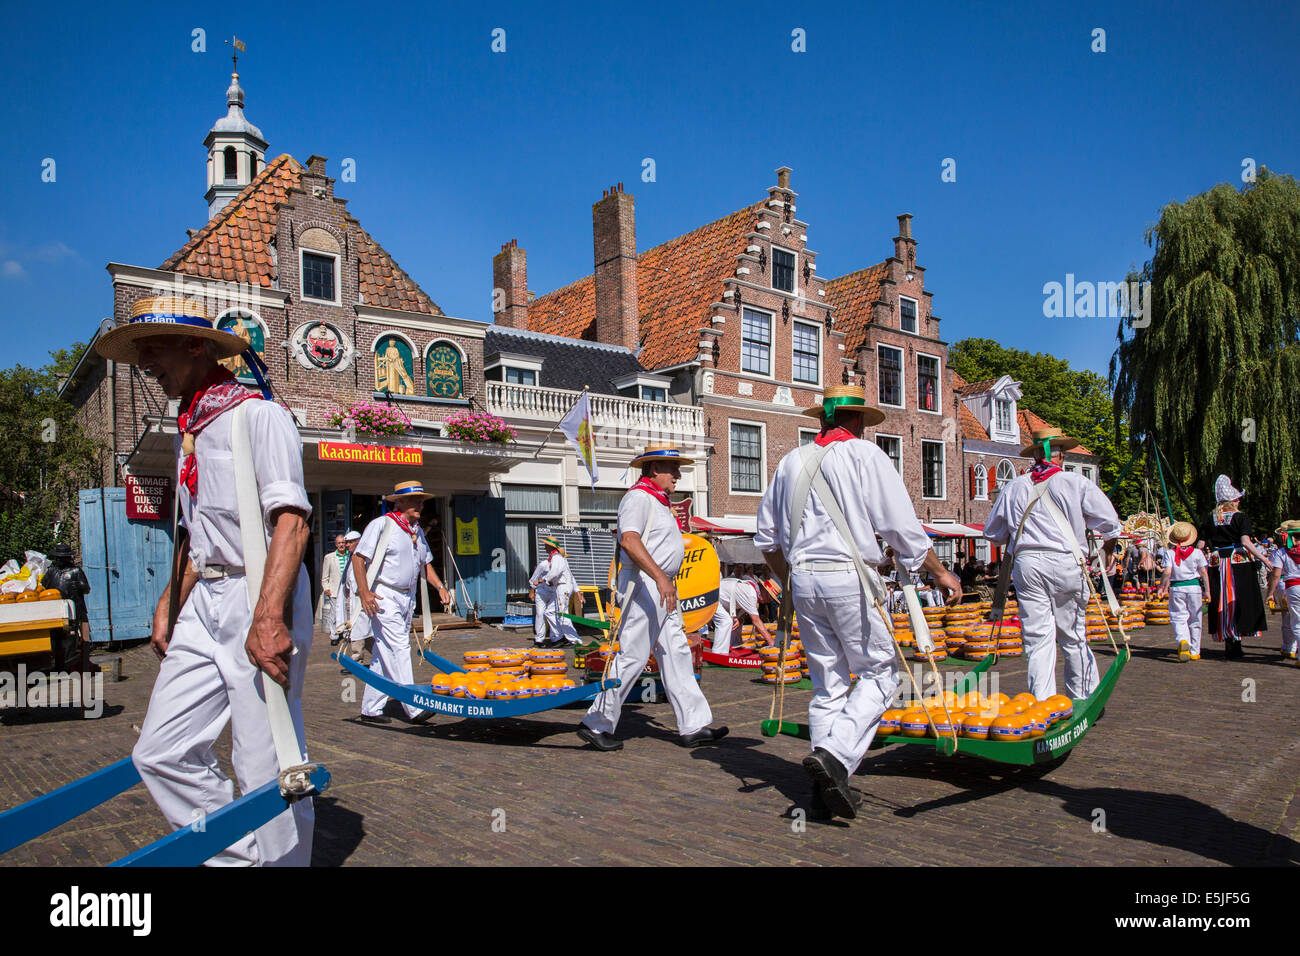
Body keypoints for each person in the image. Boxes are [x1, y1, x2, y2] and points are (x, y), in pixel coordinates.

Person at [97, 295, 314, 866]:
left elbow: (291, 522)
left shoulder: (259, 415)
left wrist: (269, 617)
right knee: (160, 751)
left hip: (259, 590)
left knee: (265, 757)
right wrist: (173, 598)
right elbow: (198, 533)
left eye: (154, 348)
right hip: (207, 598)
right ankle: (238, 858)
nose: (145, 362)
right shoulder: (190, 428)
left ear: (197, 346)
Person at [756, 385, 960, 820]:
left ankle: (823, 785)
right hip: (850, 578)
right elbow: (901, 528)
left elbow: (767, 541)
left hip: (802, 580)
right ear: (857, 421)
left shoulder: (790, 462)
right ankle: (835, 757)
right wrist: (940, 572)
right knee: (881, 674)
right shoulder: (867, 458)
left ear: (822, 420)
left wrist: (790, 583)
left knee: (827, 686)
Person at [578, 445, 728, 752]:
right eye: (672, 469)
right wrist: (660, 577)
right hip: (644, 586)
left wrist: (665, 580)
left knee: (677, 654)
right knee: (633, 655)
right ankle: (596, 723)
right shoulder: (638, 497)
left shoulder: (659, 501)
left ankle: (693, 725)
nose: (678, 474)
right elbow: (629, 540)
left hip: (661, 588)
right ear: (653, 470)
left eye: (677, 469)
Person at [983, 427, 1122, 701]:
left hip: (1027, 564)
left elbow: (993, 534)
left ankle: (1043, 702)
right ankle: (1083, 696)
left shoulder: (1014, 487)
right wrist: (1106, 551)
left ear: (1035, 455)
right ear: (1059, 456)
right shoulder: (1075, 483)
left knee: (1037, 638)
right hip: (1065, 560)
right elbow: (1111, 524)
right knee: (1072, 634)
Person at [352, 482, 452, 724]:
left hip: (407, 598)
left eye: (422, 500)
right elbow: (358, 558)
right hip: (384, 594)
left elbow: (425, 564)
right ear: (400, 502)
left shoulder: (415, 530)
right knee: (399, 646)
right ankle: (413, 706)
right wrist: (364, 592)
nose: (421, 504)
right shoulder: (382, 525)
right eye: (416, 500)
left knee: (383, 652)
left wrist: (439, 587)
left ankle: (371, 708)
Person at [1198, 475, 1269, 659]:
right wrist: (1265, 559)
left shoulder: (1210, 518)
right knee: (1239, 599)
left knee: (1220, 599)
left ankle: (1228, 638)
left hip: (1216, 562)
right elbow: (1246, 541)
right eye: (1237, 499)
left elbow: (1200, 545)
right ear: (1231, 501)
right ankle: (1236, 638)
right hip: (1238, 562)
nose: (1239, 501)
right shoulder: (1240, 518)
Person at [1157, 522, 1210, 662]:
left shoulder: (1169, 553)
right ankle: (1194, 651)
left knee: (1178, 617)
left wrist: (1161, 588)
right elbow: (1204, 572)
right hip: (1194, 588)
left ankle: (1182, 640)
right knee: (1195, 619)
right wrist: (1208, 591)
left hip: (1177, 588)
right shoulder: (1198, 553)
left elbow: (1167, 573)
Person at [1266, 520, 1300, 662]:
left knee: (1296, 622)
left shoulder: (1280, 553)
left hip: (1293, 588)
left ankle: (1291, 648)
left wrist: (1270, 593)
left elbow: (1276, 575)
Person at [710, 575, 772, 652]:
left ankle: (733, 646)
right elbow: (756, 621)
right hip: (712, 596)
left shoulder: (752, 589)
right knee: (725, 621)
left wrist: (740, 618)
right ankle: (718, 654)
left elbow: (741, 604)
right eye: (770, 596)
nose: (770, 600)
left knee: (736, 622)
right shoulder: (751, 594)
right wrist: (771, 642)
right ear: (764, 590)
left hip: (720, 598)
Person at [333, 530, 362, 659]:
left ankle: (357, 658)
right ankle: (358, 657)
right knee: (355, 629)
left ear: (358, 542)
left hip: (361, 599)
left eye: (350, 542)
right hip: (351, 599)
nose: (347, 545)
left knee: (361, 630)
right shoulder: (350, 557)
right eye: (346, 542)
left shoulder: (362, 557)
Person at [320, 533, 347, 635]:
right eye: (339, 543)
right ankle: (334, 635)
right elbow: (325, 576)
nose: (341, 545)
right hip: (334, 590)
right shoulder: (329, 557)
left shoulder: (350, 556)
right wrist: (326, 588)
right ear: (336, 544)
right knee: (334, 614)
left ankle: (346, 634)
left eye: (343, 542)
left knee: (346, 614)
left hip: (347, 591)